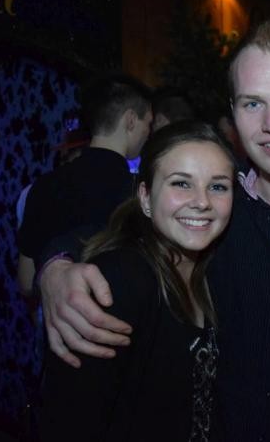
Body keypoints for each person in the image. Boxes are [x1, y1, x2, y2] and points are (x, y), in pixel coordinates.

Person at [37, 20, 270, 442]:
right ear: (233, 111)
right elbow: (115, 224)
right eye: (253, 104)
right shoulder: (215, 205)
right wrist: (56, 266)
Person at [38, 121, 235, 441]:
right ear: (145, 197)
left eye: (218, 187)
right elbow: (69, 423)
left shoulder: (212, 269)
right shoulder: (115, 282)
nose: (202, 201)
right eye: (181, 183)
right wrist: (54, 266)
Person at [17, 74, 152, 296]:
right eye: (148, 123)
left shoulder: (44, 185)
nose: (148, 133)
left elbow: (26, 280)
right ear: (130, 120)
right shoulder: (140, 193)